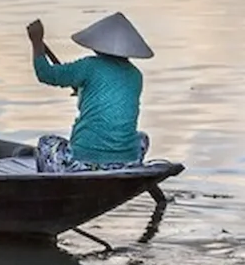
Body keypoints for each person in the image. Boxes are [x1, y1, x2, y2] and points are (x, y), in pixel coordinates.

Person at [26, 13, 152, 172]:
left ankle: (55, 185)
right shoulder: (136, 75)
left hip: (86, 159)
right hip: (128, 160)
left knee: (46, 143)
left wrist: (36, 42)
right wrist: (83, 93)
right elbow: (110, 97)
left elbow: (46, 74)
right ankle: (123, 165)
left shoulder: (89, 67)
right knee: (142, 138)